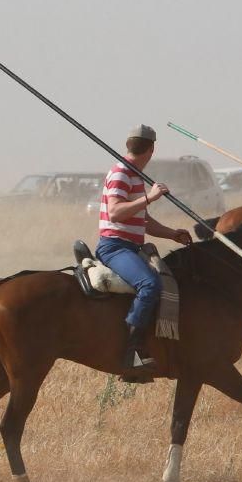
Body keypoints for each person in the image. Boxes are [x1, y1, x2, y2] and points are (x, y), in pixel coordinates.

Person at [95, 125, 192, 381]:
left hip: (132, 246)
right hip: (115, 246)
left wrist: (172, 234)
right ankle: (130, 354)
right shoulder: (121, 173)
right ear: (151, 149)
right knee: (149, 284)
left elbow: (143, 220)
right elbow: (116, 212)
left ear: (129, 144)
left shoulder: (134, 175)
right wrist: (150, 198)